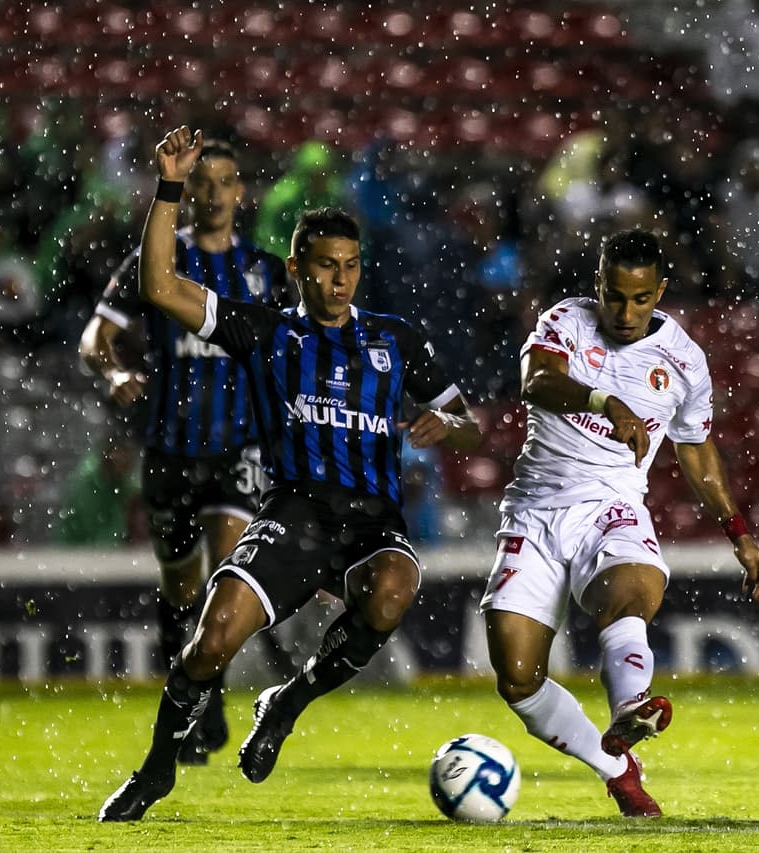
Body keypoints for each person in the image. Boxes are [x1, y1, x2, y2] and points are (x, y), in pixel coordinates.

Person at [99, 126, 481, 822]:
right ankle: (156, 768)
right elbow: (158, 285)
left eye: (351, 266)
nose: (340, 280)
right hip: (295, 515)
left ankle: (288, 700)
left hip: (370, 523)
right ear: (298, 267)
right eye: (327, 266)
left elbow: (469, 416)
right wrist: (168, 189)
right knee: (210, 641)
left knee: (396, 586)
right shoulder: (267, 330)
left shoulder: (396, 338)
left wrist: (448, 424)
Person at [480, 231, 759, 817]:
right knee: (516, 680)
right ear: (598, 285)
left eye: (640, 299)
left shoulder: (684, 360)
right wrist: (605, 401)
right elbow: (535, 382)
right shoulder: (565, 320)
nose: (625, 312)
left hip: (612, 505)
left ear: (659, 291)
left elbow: (695, 449)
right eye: (615, 296)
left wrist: (739, 532)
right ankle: (618, 767)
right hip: (534, 511)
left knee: (634, 591)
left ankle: (630, 709)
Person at [80, 136, 290, 765]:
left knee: (227, 566)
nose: (213, 193)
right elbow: (96, 338)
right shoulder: (155, 262)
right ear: (189, 191)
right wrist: (113, 373)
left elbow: (298, 346)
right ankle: (197, 685)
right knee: (180, 588)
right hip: (170, 447)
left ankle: (208, 700)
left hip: (237, 447)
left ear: (240, 191)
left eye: (224, 182)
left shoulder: (265, 272)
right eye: (202, 182)